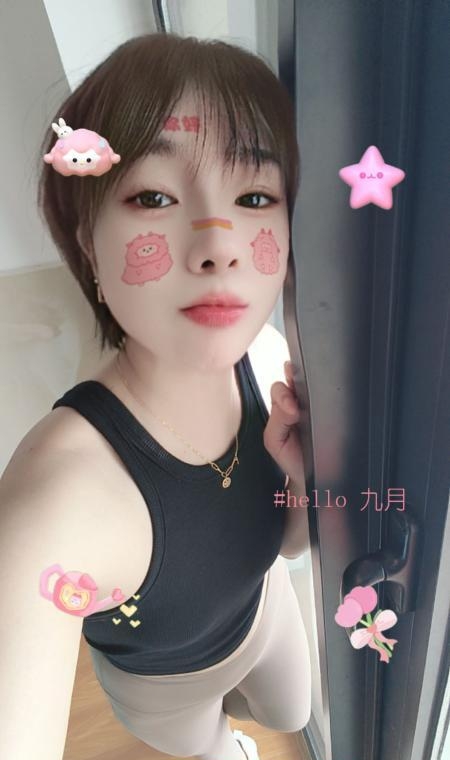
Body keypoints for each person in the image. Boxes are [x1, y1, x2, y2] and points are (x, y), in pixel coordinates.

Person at [0, 32, 311, 760]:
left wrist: (299, 482)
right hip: (165, 688)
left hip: (265, 611)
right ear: (87, 242)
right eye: (153, 196)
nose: (219, 244)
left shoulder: (267, 359)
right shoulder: (59, 496)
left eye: (254, 196)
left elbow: (284, 545)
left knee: (295, 709)